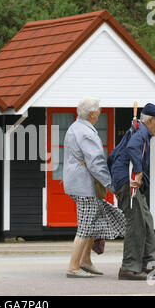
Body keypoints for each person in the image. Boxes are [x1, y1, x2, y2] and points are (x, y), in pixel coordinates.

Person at [63, 97, 126, 278]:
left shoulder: (75, 127)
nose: (100, 112)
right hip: (84, 186)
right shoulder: (86, 133)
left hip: (76, 183)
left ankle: (86, 261)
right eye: (99, 110)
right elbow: (96, 163)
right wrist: (111, 185)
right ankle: (73, 266)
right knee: (85, 226)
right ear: (93, 114)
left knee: (93, 221)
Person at [109, 103, 155, 280]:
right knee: (136, 224)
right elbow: (131, 149)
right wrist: (138, 172)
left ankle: (148, 264)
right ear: (150, 120)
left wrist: (115, 182)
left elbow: (113, 156)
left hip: (126, 181)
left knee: (146, 221)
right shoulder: (141, 132)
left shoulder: (134, 130)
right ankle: (128, 268)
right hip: (130, 182)